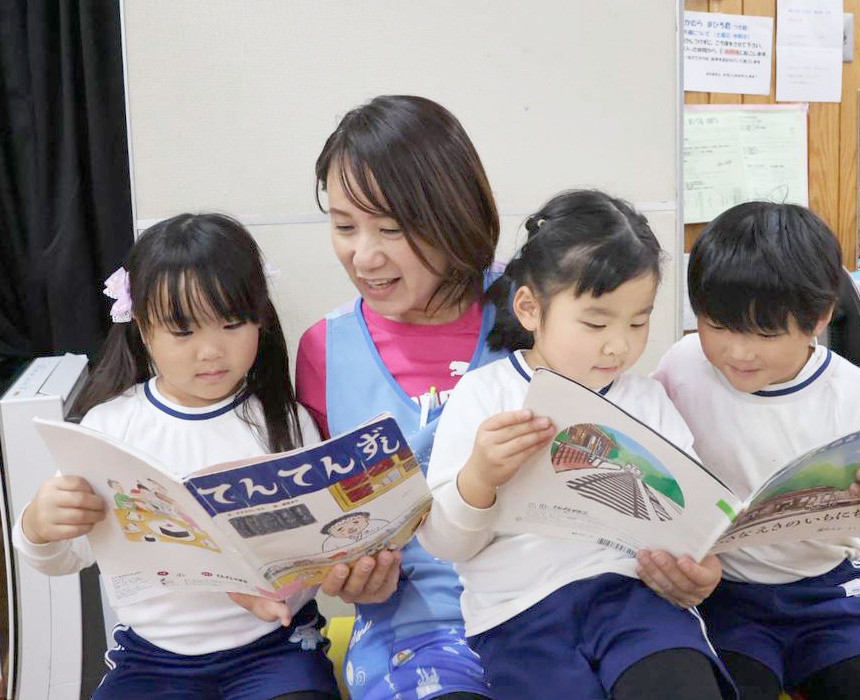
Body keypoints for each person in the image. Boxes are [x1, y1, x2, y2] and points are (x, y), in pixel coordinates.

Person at [417, 189, 735, 699]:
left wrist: (699, 569)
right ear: (529, 308)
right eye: (595, 322)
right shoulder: (484, 395)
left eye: (638, 321)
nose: (619, 344)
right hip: (518, 614)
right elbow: (444, 545)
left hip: (637, 599)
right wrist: (479, 477)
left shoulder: (648, 399)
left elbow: (693, 516)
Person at [14, 213, 340, 700]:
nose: (210, 350)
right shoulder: (111, 428)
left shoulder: (285, 422)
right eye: (183, 331)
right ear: (143, 329)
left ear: (260, 319)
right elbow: (67, 556)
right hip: (152, 657)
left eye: (232, 324)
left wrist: (283, 586)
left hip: (275, 647)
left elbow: (314, 550)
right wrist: (38, 526)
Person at [653, 201, 860, 700]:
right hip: (722, 601)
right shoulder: (680, 368)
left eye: (765, 333)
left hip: (829, 602)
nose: (738, 351)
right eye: (717, 325)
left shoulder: (855, 399)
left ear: (819, 317)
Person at [297, 95, 507, 699]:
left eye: (391, 228)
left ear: (454, 215)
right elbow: (327, 522)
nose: (364, 256)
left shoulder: (532, 311)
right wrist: (344, 574)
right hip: (415, 636)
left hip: (551, 609)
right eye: (344, 227)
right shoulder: (325, 349)